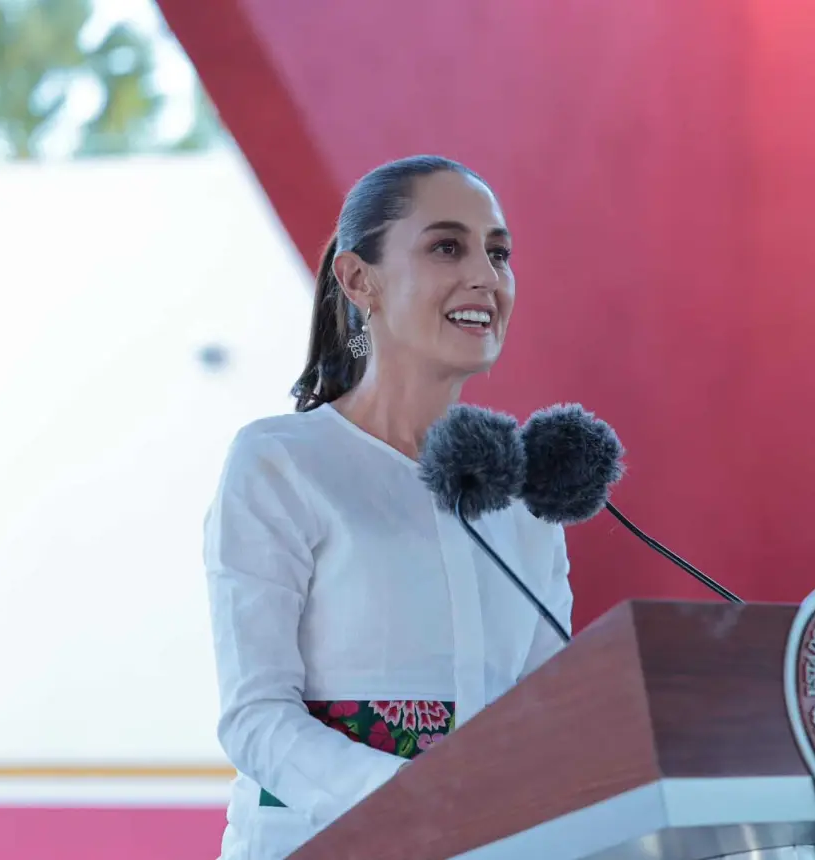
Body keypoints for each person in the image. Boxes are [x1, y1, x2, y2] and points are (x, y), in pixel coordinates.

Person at [203, 156, 572, 860]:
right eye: (446, 247)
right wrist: (425, 810)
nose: (486, 278)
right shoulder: (280, 462)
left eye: (499, 253)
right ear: (358, 279)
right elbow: (256, 718)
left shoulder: (526, 496)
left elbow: (551, 717)